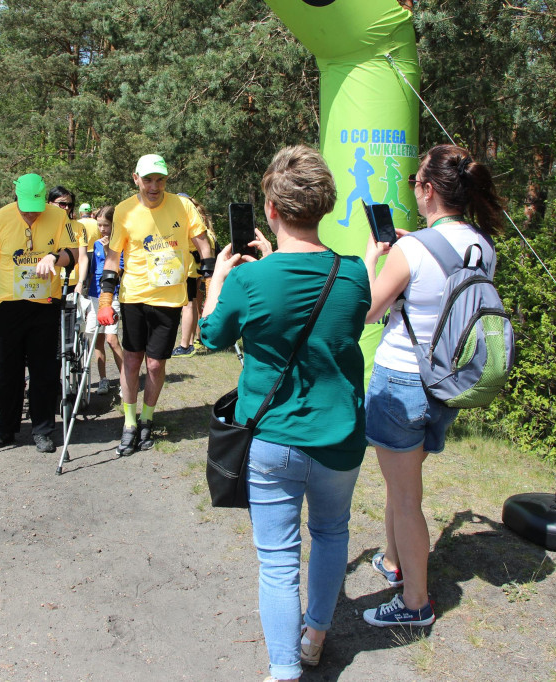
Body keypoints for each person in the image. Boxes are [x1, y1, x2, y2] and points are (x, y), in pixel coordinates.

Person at [199, 145, 370, 682]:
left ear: (271, 210)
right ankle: (315, 635)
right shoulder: (354, 275)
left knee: (277, 559)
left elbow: (210, 335)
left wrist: (216, 282)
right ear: (325, 207)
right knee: (332, 532)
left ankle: (284, 670)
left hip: (272, 438)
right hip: (340, 437)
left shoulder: (251, 281)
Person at [361, 144, 506, 628]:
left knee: (405, 497)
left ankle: (415, 603)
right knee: (402, 484)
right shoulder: (483, 245)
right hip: (446, 383)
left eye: (415, 183)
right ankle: (394, 559)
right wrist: (412, 248)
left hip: (401, 381)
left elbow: (368, 310)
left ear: (427, 190)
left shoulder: (411, 248)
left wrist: (374, 258)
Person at [98, 154, 214, 455]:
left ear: (166, 179)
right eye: (147, 179)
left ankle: (147, 419)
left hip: (169, 298)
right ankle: (129, 423)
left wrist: (210, 277)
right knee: (132, 360)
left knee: (155, 363)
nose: (154, 186)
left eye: (159, 179)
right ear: (136, 178)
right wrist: (105, 299)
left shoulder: (182, 205)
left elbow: (202, 241)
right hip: (135, 295)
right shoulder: (125, 210)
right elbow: (112, 258)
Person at [0, 173, 79, 453]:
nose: (31, 212)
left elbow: (73, 252)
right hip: (9, 303)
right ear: (15, 196)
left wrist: (55, 257)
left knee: (45, 370)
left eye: (36, 205)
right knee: (8, 369)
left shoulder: (57, 216)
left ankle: (42, 430)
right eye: (26, 205)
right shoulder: (0, 218)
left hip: (45, 303)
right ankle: (5, 428)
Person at [81, 205, 123, 395]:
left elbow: (117, 269)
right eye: (99, 225)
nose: (102, 229)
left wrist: (108, 250)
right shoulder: (96, 244)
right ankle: (103, 379)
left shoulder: (120, 244)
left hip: (112, 295)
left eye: (106, 225)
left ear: (114, 225)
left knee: (111, 339)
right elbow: (91, 271)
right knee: (96, 340)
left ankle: (125, 380)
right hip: (94, 295)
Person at [171, 194, 216, 358]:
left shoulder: (186, 219)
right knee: (192, 303)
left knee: (188, 305)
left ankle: (185, 345)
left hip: (188, 267)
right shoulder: (190, 218)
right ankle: (188, 342)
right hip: (190, 267)